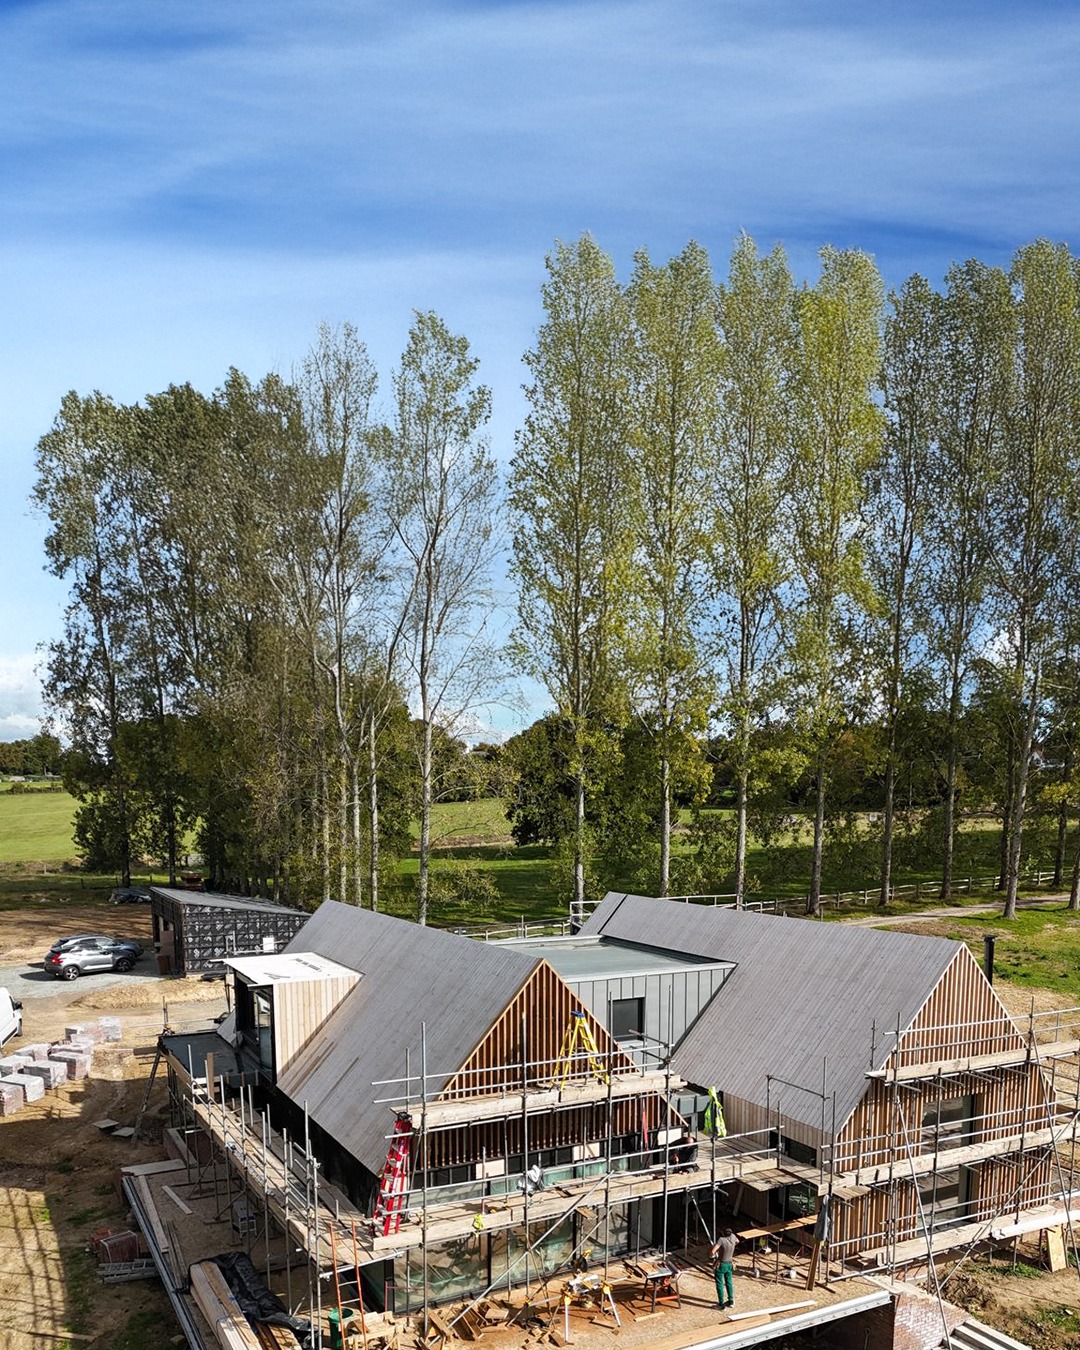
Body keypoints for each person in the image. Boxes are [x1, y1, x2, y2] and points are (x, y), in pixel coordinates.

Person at [709, 1227, 739, 1310]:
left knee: (720, 1284)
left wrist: (712, 1256)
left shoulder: (721, 1240)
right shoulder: (733, 1236)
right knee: (729, 1282)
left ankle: (721, 1304)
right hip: (730, 1264)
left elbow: (713, 1251)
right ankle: (731, 1301)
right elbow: (737, 1241)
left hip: (721, 1264)